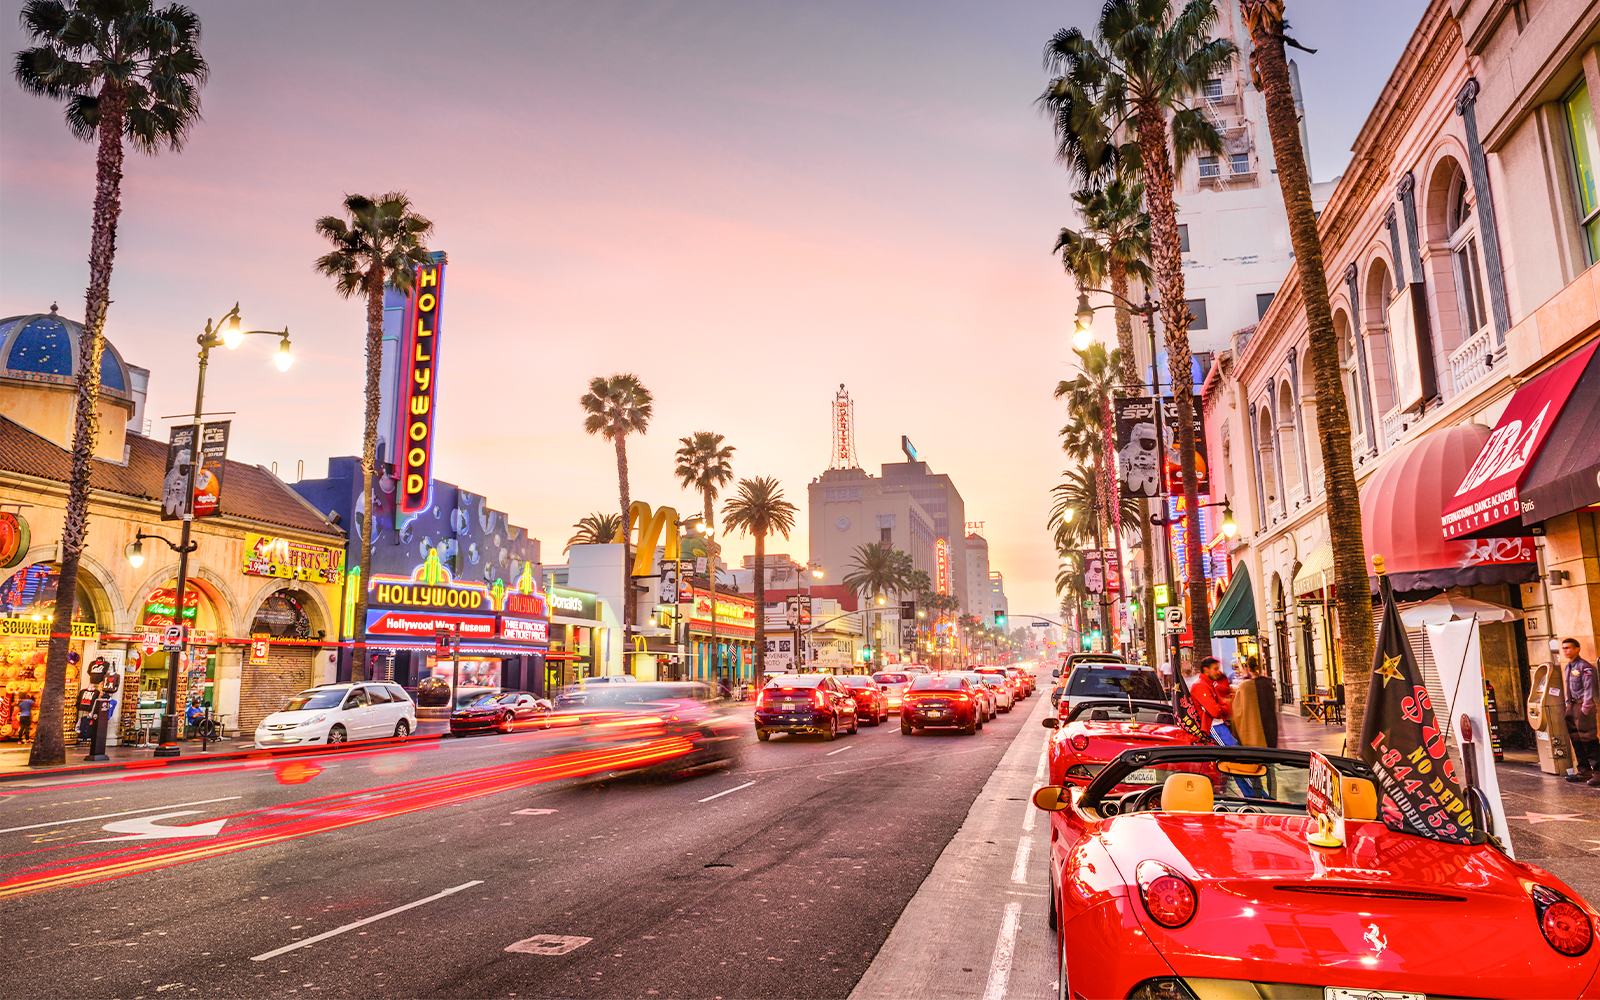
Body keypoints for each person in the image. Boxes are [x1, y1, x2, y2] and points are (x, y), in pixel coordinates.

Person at [1559, 637, 1599, 784]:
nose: (1566, 651)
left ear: (1577, 649)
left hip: (1583, 707)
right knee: (1576, 741)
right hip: (1572, 707)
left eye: (1569, 647)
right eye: (1564, 648)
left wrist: (1585, 708)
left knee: (1589, 741)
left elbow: (1589, 688)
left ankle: (1598, 773)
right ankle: (1584, 771)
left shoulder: (1585, 667)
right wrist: (1568, 704)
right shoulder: (1568, 667)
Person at [1188, 656, 1232, 735]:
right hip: (1211, 725)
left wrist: (1219, 708)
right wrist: (1220, 709)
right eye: (1215, 669)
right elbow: (1215, 712)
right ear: (1206, 670)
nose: (1218, 672)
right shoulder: (1200, 685)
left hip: (1217, 723)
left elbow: (1226, 708)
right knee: (1232, 746)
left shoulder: (1210, 684)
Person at [1231, 668, 1266, 747]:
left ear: (1248, 669)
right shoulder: (1267, 685)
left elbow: (1236, 711)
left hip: (1251, 737)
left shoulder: (1244, 686)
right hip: (1268, 734)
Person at [1248, 656, 1279, 748]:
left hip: (1257, 718)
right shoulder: (1266, 682)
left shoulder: (1248, 685)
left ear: (1249, 669)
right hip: (1270, 717)